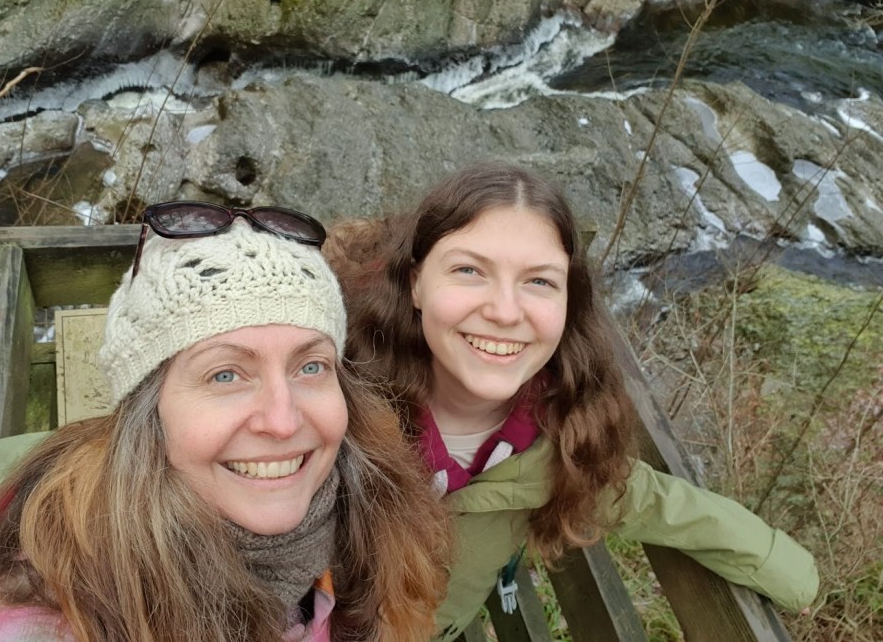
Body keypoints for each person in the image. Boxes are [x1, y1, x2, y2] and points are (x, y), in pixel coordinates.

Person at [325, 162, 819, 641]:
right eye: (469, 270)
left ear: (568, 302)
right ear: (415, 283)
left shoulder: (563, 446)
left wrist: (785, 566)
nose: (503, 311)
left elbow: (659, 503)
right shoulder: (336, 396)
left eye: (539, 280)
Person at [0, 202, 449, 642]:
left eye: (310, 366)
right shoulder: (61, 612)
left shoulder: (369, 520)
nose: (283, 421)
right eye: (225, 375)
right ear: (148, 414)